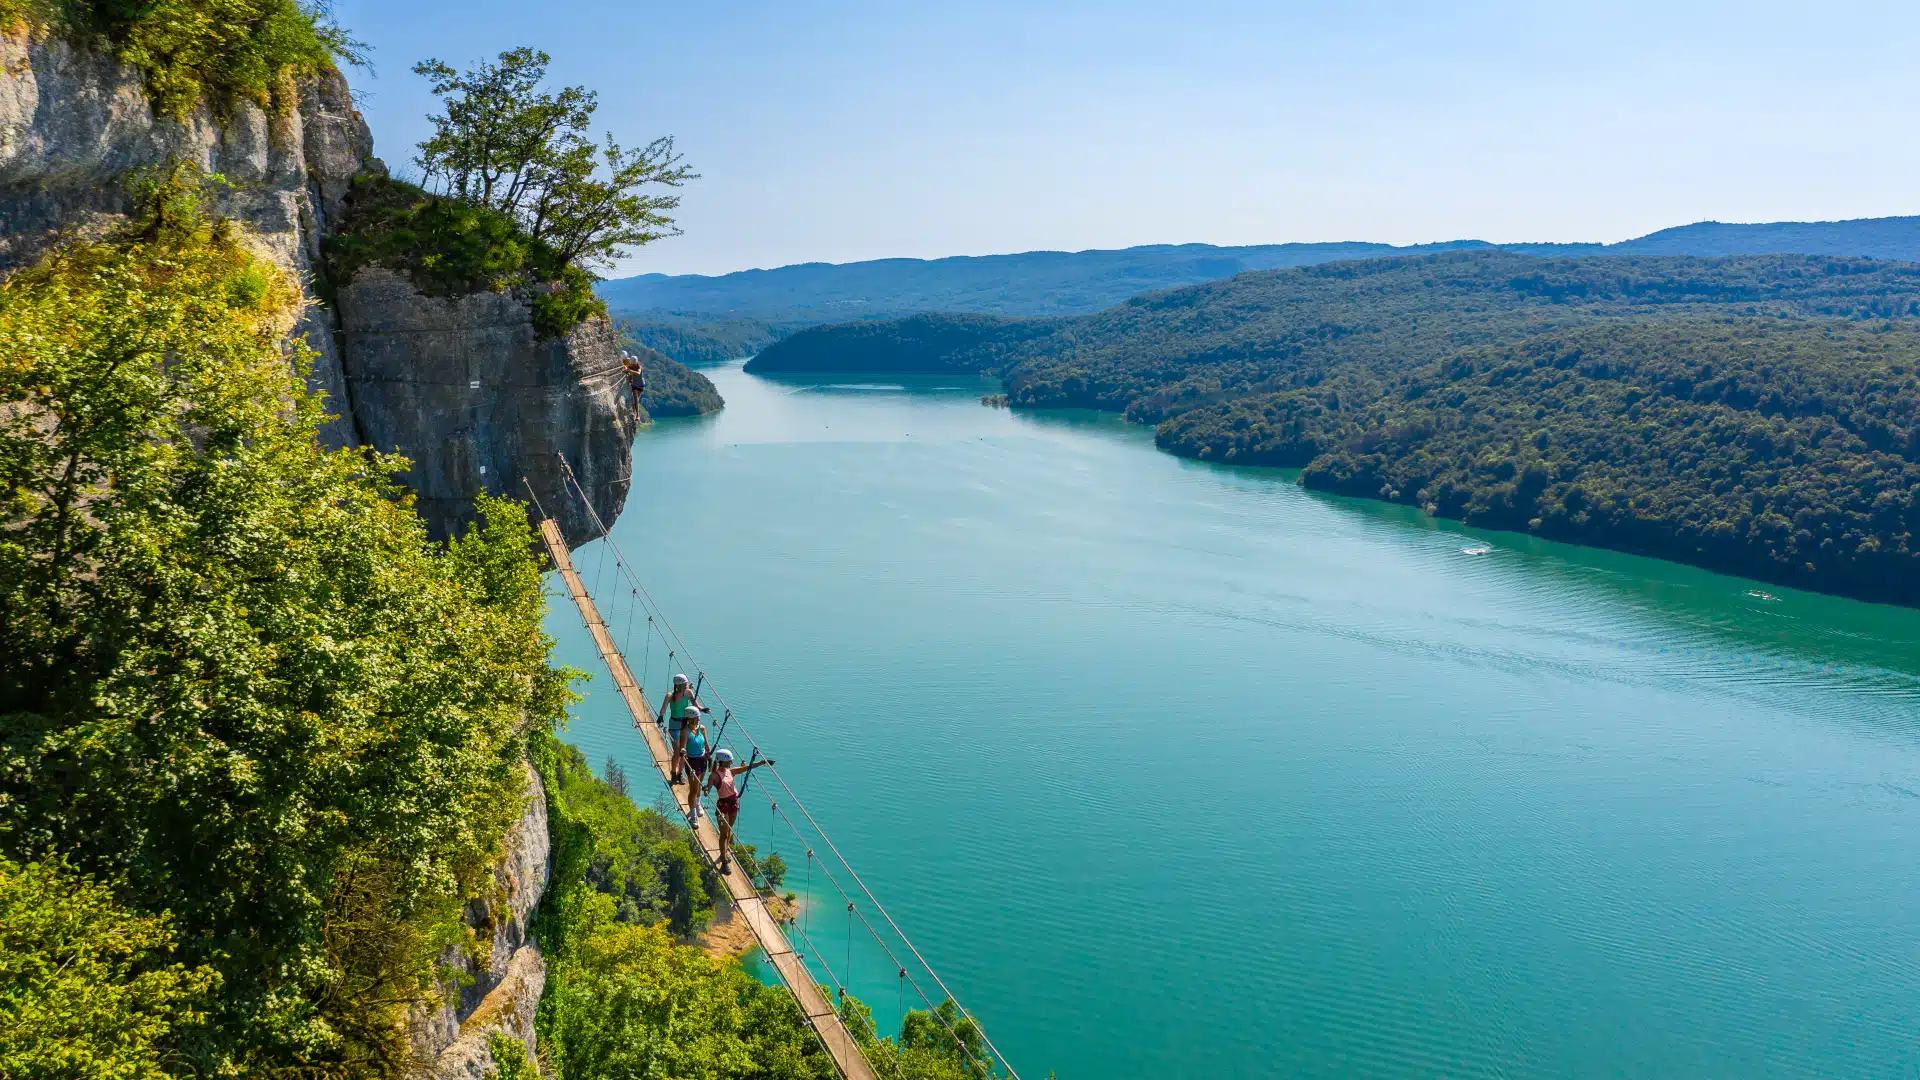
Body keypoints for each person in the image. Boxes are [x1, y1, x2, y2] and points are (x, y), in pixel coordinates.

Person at [705, 747, 773, 875]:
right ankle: (724, 862)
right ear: (723, 762)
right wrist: (705, 790)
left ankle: (724, 852)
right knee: (724, 834)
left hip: (733, 804)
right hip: (723, 806)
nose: (731, 762)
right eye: (729, 761)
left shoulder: (730, 772)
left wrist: (762, 762)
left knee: (729, 830)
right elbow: (708, 790)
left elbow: (747, 768)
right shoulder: (714, 776)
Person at [661, 673, 708, 782]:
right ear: (680, 685)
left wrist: (702, 709)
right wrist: (661, 717)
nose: (687, 685)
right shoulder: (670, 696)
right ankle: (673, 773)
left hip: (684, 725)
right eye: (685, 683)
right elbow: (663, 709)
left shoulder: (688, 693)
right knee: (677, 752)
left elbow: (695, 705)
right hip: (674, 725)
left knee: (684, 752)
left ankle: (679, 774)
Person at [680, 717, 711, 813]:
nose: (699, 720)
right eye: (697, 718)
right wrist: (683, 751)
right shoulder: (685, 731)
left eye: (699, 718)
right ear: (690, 719)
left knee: (699, 786)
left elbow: (706, 744)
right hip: (692, 762)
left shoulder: (702, 728)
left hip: (703, 760)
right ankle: (693, 814)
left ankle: (698, 804)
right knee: (693, 789)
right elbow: (683, 747)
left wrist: (709, 756)